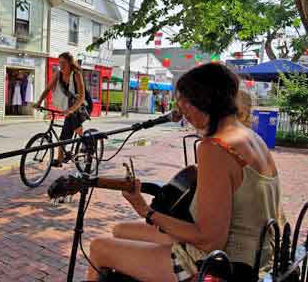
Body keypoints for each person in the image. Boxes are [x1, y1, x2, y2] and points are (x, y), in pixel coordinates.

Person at [87, 63, 283, 282]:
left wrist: (145, 211)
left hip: (224, 264)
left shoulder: (215, 148)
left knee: (99, 247)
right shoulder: (249, 136)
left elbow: (209, 240)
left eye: (186, 101)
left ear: (206, 100)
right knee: (120, 230)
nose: (182, 110)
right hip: (257, 255)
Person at [35, 52, 86, 167]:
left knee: (72, 124)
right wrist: (39, 102)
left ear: (70, 63)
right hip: (69, 105)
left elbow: (82, 97)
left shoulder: (76, 74)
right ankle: (59, 159)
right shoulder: (58, 74)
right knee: (64, 135)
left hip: (81, 105)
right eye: (59, 63)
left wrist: (71, 110)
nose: (61, 65)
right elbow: (48, 89)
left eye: (63, 63)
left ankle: (86, 142)